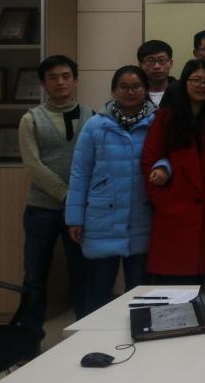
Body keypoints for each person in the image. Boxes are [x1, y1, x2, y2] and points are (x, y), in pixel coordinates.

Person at [66, 66, 155, 314]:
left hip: (142, 218)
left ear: (145, 90)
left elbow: (168, 159)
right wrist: (74, 218)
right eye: (124, 87)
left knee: (140, 293)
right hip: (102, 219)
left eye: (136, 87)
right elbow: (80, 173)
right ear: (114, 90)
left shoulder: (157, 124)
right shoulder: (96, 125)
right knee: (98, 292)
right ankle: (92, 336)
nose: (130, 92)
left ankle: (139, 334)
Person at [17, 56, 94, 337]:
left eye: (65, 76)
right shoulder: (31, 119)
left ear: (75, 80)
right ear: (43, 84)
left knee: (82, 274)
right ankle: (28, 339)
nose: (60, 82)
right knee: (34, 276)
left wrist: (77, 201)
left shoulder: (91, 116)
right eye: (53, 78)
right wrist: (67, 195)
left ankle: (85, 334)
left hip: (80, 211)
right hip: (41, 209)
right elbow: (32, 165)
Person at [141, 60, 205, 283]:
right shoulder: (166, 118)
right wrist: (163, 199)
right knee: (175, 285)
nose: (202, 86)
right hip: (175, 209)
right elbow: (149, 160)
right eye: (196, 80)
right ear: (184, 83)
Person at [137, 39, 175, 108]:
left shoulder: (182, 91)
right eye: (150, 61)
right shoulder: (134, 94)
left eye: (161, 60)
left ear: (171, 63)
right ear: (140, 65)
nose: (156, 66)